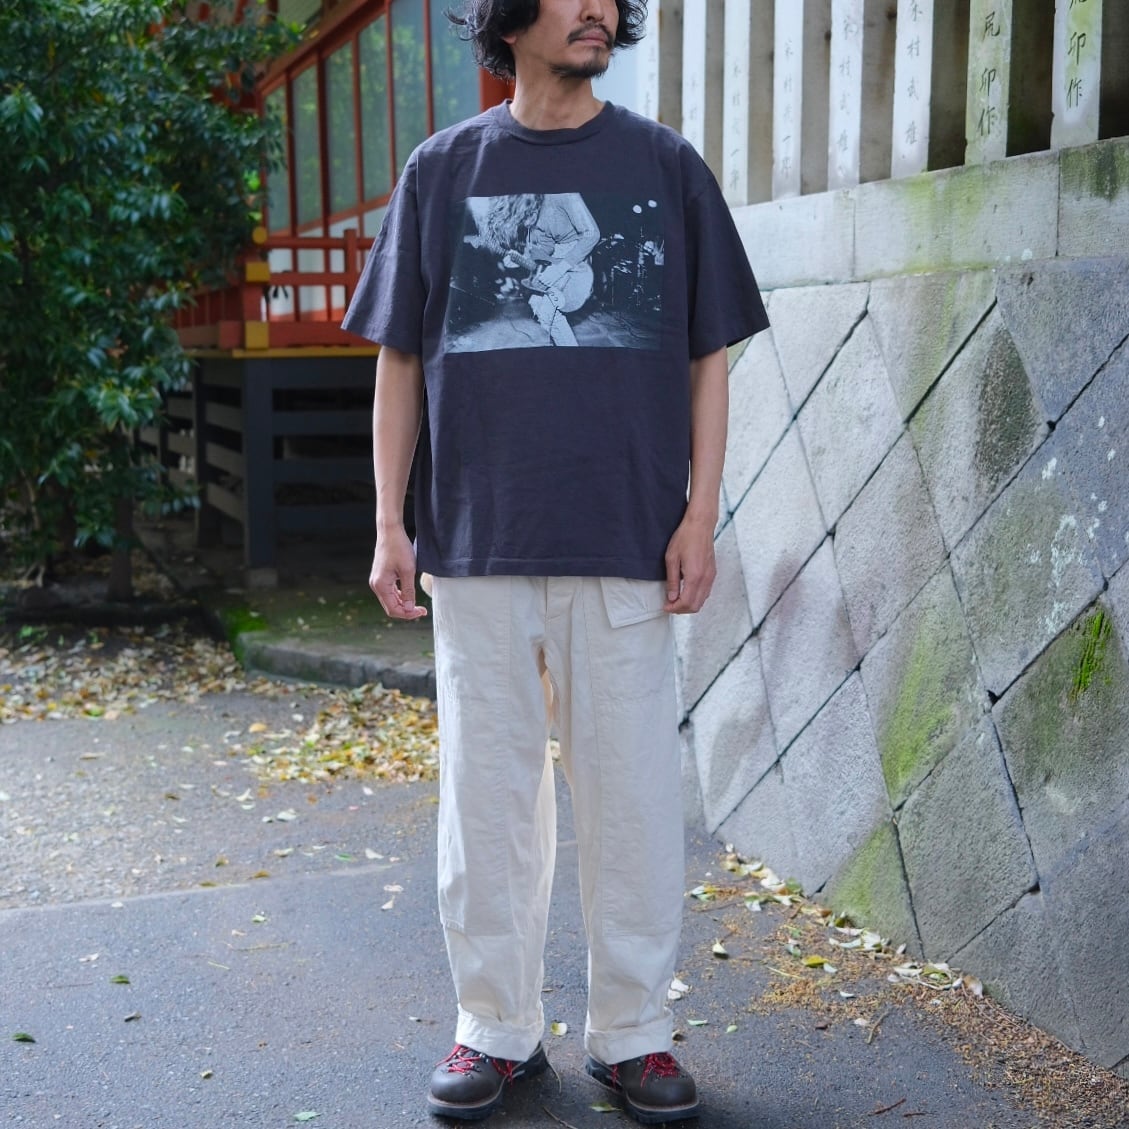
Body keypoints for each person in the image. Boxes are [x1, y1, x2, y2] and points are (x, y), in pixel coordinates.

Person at [341, 0, 768, 1122]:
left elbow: (708, 356)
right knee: (484, 805)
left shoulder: (664, 166)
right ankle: (494, 1028)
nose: (598, 11)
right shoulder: (442, 171)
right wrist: (389, 521)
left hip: (624, 535)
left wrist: (699, 515)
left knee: (631, 802)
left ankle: (633, 1035)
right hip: (477, 539)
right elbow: (399, 358)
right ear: (508, 18)